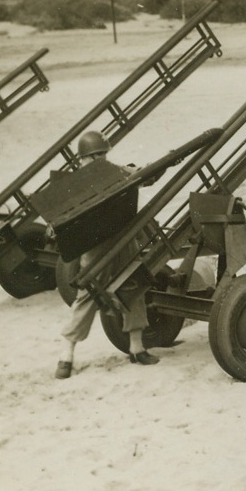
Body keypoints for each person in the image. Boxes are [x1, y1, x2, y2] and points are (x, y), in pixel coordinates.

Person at [54, 130, 158, 378]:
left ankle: (136, 348)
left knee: (134, 287)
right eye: (95, 156)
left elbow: (141, 176)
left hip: (123, 241)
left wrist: (157, 167)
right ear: (83, 159)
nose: (100, 159)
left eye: (103, 154)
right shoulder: (76, 184)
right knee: (87, 294)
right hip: (95, 247)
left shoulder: (115, 171)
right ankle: (66, 354)